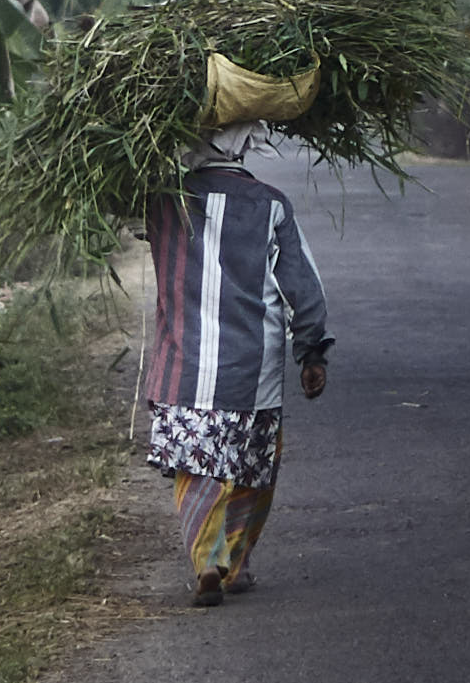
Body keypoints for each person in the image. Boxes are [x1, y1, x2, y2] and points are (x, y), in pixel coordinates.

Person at [141, 120, 333, 607]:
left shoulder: (162, 199)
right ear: (243, 146)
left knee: (196, 465)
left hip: (183, 368)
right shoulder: (271, 205)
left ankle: (207, 561)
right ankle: (236, 564)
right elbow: (304, 290)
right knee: (251, 469)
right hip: (253, 374)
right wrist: (311, 350)